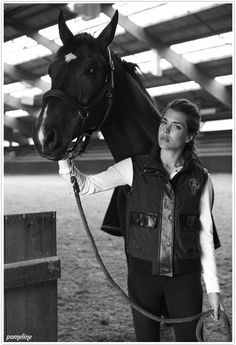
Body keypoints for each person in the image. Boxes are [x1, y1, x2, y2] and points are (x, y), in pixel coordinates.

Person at [58, 98, 224, 342]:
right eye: (164, 122)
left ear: (189, 136)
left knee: (191, 339)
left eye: (176, 126)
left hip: (185, 280)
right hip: (142, 278)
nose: (165, 130)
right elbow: (85, 186)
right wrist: (63, 158)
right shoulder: (132, 167)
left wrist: (213, 288)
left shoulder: (202, 179)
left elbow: (205, 234)